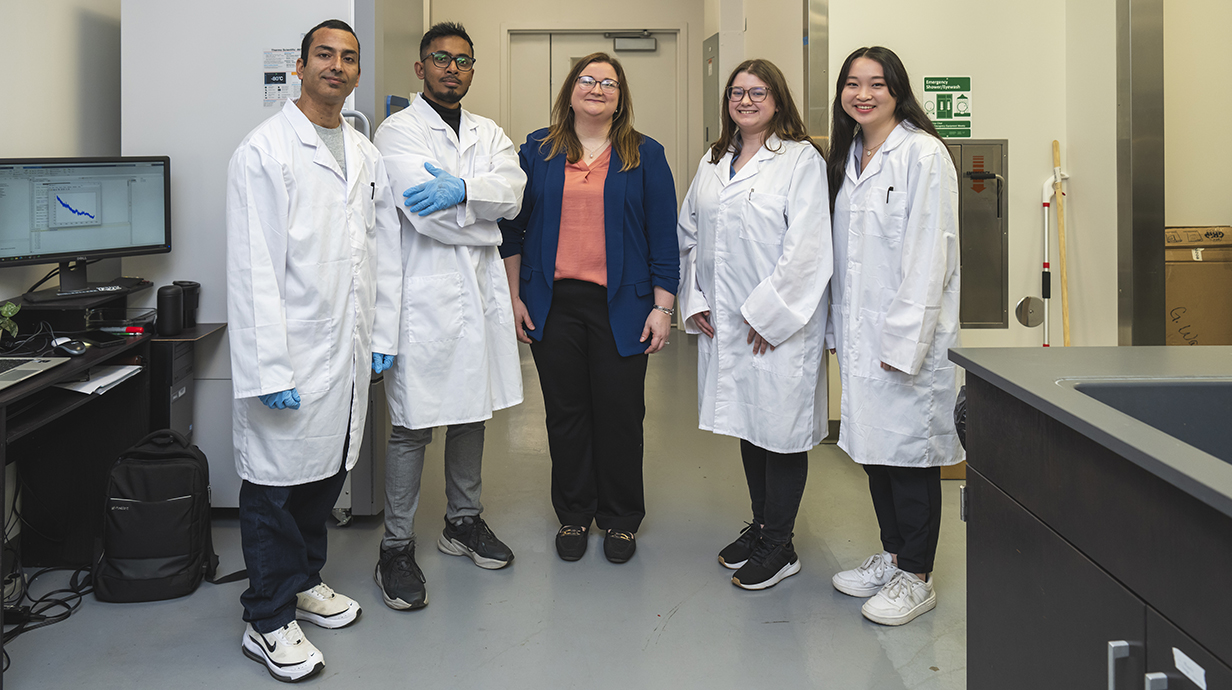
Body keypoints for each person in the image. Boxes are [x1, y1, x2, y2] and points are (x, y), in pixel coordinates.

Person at [225, 19, 401, 682]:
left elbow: (378, 253)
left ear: (357, 72)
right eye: (324, 55)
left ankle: (302, 582)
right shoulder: (264, 151)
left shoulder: (364, 150)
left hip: (346, 347)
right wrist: (268, 366)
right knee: (274, 485)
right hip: (292, 350)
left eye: (348, 57)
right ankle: (265, 619)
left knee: (325, 472)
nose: (337, 66)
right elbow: (252, 267)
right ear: (298, 67)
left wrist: (381, 336)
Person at [499, 53, 678, 564]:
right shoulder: (538, 149)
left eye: (609, 83)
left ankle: (621, 519)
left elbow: (663, 239)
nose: (597, 88)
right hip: (553, 303)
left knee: (621, 413)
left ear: (621, 98)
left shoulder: (645, 154)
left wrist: (662, 308)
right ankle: (575, 512)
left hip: (623, 304)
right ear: (570, 90)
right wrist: (514, 296)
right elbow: (512, 227)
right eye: (587, 80)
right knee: (566, 413)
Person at [370, 22, 526, 611]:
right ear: (420, 68)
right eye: (441, 59)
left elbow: (514, 195)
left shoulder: (488, 131)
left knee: (471, 410)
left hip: (479, 295)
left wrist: (463, 188)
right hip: (424, 298)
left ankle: (462, 522)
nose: (452, 69)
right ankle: (396, 545)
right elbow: (421, 213)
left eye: (463, 60)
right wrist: (476, 201)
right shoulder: (397, 132)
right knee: (411, 424)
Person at [677, 59, 832, 591]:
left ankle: (780, 545)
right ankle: (764, 525)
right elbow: (689, 233)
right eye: (736, 93)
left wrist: (770, 315)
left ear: (777, 99)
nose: (745, 101)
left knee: (782, 434)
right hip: (726, 322)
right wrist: (694, 297)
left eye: (757, 92)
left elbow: (809, 249)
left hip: (777, 328)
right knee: (750, 425)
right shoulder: (715, 159)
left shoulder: (800, 160)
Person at [826, 46, 963, 626]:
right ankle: (892, 556)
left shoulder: (923, 154)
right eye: (852, 84)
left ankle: (918, 575)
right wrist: (840, 330)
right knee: (875, 452)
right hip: (860, 333)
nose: (862, 94)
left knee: (909, 457)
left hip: (907, 338)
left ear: (897, 90)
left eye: (876, 84)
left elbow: (931, 257)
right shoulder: (850, 155)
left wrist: (903, 343)